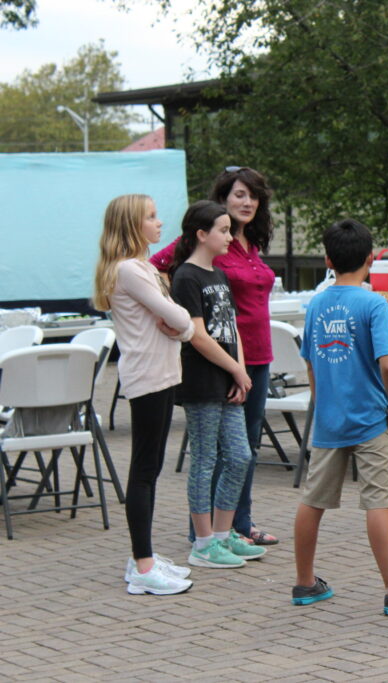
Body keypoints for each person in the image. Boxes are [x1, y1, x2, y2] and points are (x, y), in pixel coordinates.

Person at [291, 219, 388, 613]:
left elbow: (309, 362)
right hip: (370, 419)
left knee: (312, 501)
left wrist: (322, 401)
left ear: (327, 259)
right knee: (377, 504)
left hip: (328, 420)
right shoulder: (373, 303)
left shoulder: (317, 304)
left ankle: (304, 582)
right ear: (371, 259)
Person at [152, 167, 279, 545]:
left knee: (246, 446)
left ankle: (238, 524)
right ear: (222, 199)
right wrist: (169, 316)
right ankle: (206, 533)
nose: (247, 202)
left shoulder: (249, 244)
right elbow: (154, 268)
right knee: (216, 452)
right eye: (239, 194)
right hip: (215, 360)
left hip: (256, 354)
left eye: (253, 196)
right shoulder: (207, 241)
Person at [94, 195, 195, 596]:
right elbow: (179, 317)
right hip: (149, 377)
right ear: (132, 226)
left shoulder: (139, 268)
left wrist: (180, 325)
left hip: (161, 374)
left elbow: (180, 324)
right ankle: (143, 565)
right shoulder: (131, 270)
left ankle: (145, 555)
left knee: (149, 469)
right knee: (144, 471)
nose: (158, 223)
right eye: (150, 217)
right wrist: (180, 324)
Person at [170, 200, 268, 569]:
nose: (230, 237)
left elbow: (233, 331)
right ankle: (203, 542)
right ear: (201, 234)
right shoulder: (186, 277)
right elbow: (198, 335)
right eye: (223, 231)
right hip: (201, 383)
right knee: (206, 459)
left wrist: (240, 371)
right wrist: (235, 370)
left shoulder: (219, 276)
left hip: (228, 382)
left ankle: (224, 536)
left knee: (240, 455)